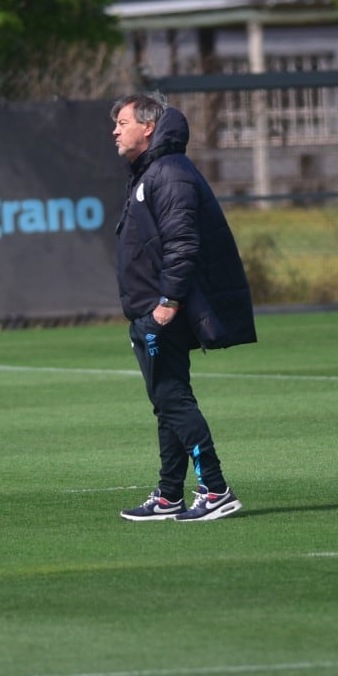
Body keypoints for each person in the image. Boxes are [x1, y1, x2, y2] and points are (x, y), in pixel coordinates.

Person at [110, 91, 257, 522]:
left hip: (161, 312)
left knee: (173, 400)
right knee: (167, 400)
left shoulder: (169, 173)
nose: (115, 131)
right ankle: (169, 494)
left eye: (122, 123)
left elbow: (182, 244)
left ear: (148, 126)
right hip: (147, 310)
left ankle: (215, 489)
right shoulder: (150, 172)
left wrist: (167, 304)